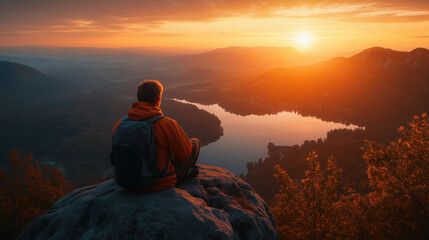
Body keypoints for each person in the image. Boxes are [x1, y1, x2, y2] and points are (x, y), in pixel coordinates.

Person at [111, 79, 200, 192]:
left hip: (125, 182)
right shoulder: (167, 124)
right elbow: (185, 155)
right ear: (158, 100)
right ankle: (188, 173)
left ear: (139, 99)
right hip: (159, 183)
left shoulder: (120, 124)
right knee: (195, 143)